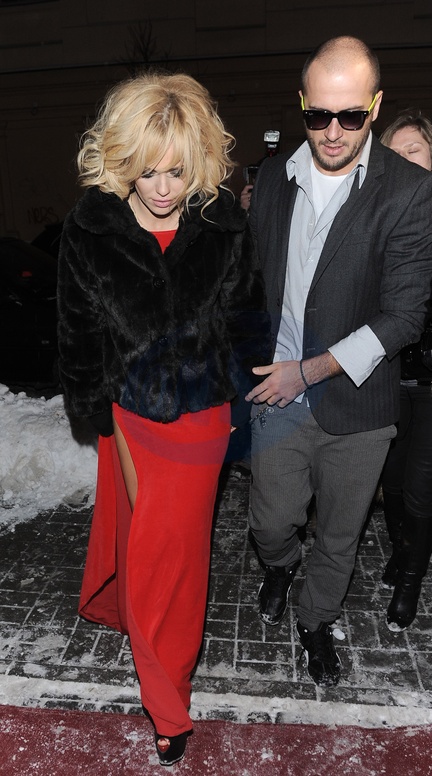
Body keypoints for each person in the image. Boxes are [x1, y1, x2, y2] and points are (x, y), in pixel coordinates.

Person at [57, 71, 268, 766]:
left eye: (177, 170)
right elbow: (78, 328)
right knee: (140, 538)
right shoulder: (92, 228)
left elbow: (247, 318)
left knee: (172, 558)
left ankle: (167, 699)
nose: (163, 188)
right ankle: (133, 622)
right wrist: (92, 406)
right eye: (146, 171)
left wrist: (240, 392)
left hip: (201, 415)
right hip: (130, 410)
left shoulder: (222, 224)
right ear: (122, 160)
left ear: (198, 159)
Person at [244, 36, 432, 688]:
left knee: (339, 535)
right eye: (318, 114)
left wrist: (310, 369)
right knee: (271, 523)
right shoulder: (274, 178)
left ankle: (315, 619)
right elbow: (254, 281)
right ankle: (279, 566)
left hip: (359, 402)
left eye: (351, 115)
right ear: (302, 103)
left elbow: (403, 316)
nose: (333, 131)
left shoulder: (409, 190)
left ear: (375, 106)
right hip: (277, 394)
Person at [379, 109, 432, 631]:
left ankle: (409, 581)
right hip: (384, 373)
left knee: (424, 484)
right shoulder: (375, 220)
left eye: (414, 150)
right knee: (393, 482)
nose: (404, 160)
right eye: (394, 153)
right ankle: (403, 549)